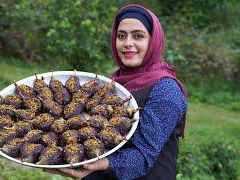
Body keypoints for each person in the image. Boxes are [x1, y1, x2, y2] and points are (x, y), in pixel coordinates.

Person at [44, 4, 188, 180]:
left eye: (138, 36)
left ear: (153, 41)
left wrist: (102, 164)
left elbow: (143, 157)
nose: (128, 43)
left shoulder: (166, 90)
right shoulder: (113, 83)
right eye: (121, 36)